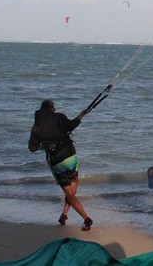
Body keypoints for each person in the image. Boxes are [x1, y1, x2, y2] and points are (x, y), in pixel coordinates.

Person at [28, 99, 93, 231]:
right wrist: (81, 115)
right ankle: (83, 218)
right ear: (52, 108)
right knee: (71, 193)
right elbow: (71, 125)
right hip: (70, 157)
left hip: (56, 162)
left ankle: (69, 215)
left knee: (70, 194)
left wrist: (45, 147)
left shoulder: (35, 128)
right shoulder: (59, 117)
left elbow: (32, 148)